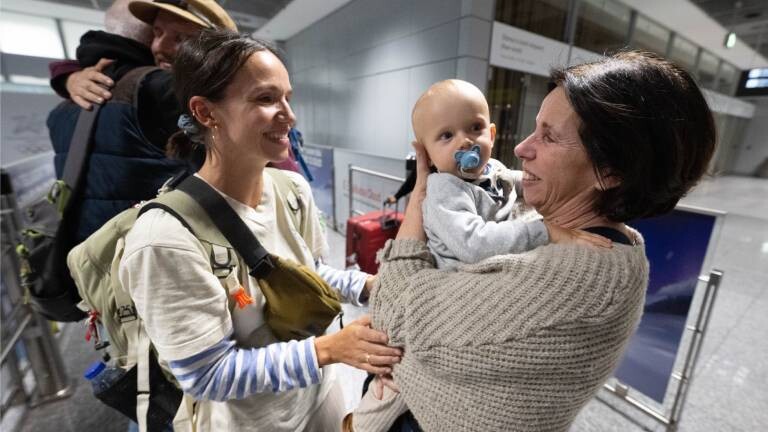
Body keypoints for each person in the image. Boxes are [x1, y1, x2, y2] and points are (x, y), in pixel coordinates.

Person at [349, 50, 716, 432]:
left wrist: (419, 199)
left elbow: (391, 317)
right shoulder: (586, 234)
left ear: (609, 170)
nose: (522, 148)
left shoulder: (573, 276)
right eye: (534, 127)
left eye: (548, 136)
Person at [118, 29, 402, 431]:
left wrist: (367, 286)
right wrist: (326, 350)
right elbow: (206, 374)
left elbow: (306, 274)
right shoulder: (165, 240)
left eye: (288, 97)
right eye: (266, 99)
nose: (289, 113)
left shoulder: (292, 190)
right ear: (205, 112)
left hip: (321, 399)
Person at [46, 0, 236, 243]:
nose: (161, 46)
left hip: (88, 260)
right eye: (156, 32)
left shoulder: (63, 108)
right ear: (144, 37)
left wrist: (66, 76)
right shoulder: (160, 88)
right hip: (157, 252)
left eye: (182, 39)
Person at [416, 79, 610, 270]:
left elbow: (514, 180)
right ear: (428, 155)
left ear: (491, 136)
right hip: (457, 275)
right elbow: (474, 245)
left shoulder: (492, 168)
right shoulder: (444, 190)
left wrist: (539, 180)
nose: (465, 141)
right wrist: (546, 232)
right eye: (447, 136)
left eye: (475, 128)